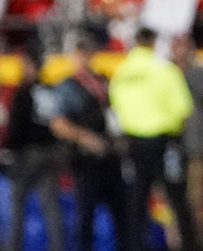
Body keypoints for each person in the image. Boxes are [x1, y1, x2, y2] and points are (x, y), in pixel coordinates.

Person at [108, 27, 201, 251]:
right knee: (177, 199)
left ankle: (135, 245)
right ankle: (188, 246)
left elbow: (115, 109)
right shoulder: (165, 70)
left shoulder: (121, 73)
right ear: (152, 43)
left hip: (134, 144)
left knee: (137, 199)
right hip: (165, 142)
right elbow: (183, 109)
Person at [51, 33, 128, 251]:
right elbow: (58, 124)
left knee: (122, 214)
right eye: (80, 55)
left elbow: (113, 113)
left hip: (110, 156)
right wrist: (86, 138)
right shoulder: (68, 86)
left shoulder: (102, 81)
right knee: (86, 217)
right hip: (86, 161)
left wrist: (118, 139)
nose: (84, 59)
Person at [4, 49, 65, 251]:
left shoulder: (23, 93)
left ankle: (14, 247)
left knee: (17, 206)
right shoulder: (49, 90)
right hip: (49, 152)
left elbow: (16, 127)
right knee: (51, 207)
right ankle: (57, 247)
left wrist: (9, 148)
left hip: (27, 154)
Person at [171, 33, 203, 250]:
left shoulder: (200, 71)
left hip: (198, 145)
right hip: (174, 144)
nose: (178, 52)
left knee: (197, 200)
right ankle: (177, 242)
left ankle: (199, 243)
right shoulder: (168, 72)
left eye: (182, 46)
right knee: (173, 200)